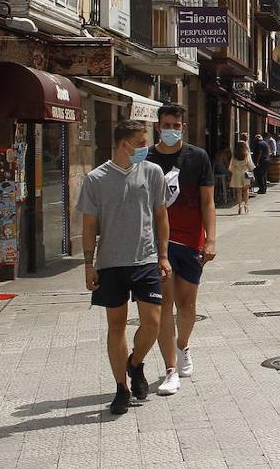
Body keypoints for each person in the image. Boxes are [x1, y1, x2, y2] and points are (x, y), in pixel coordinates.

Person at [79, 120, 171, 414]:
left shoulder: (153, 172)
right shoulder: (95, 179)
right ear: (124, 145)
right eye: (141, 143)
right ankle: (121, 388)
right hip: (110, 263)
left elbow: (161, 216)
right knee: (116, 326)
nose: (146, 148)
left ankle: (135, 363)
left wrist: (163, 255)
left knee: (153, 323)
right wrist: (87, 264)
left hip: (145, 258)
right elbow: (89, 224)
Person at [147, 104, 216, 396]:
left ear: (183, 128)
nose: (170, 130)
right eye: (165, 125)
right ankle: (170, 369)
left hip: (190, 242)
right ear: (157, 126)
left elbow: (208, 202)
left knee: (187, 307)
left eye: (176, 125)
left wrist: (210, 239)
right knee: (164, 307)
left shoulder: (197, 157)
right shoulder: (146, 158)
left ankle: (183, 344)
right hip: (155, 243)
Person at [228, 141, 255, 215]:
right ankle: (246, 204)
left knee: (238, 191)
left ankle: (239, 205)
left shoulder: (234, 155)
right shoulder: (246, 154)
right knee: (246, 190)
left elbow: (231, 166)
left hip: (237, 173)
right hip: (245, 173)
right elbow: (250, 165)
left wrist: (233, 171)